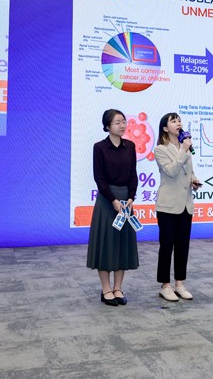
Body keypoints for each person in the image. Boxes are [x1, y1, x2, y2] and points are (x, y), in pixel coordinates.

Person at [86, 109, 139, 306]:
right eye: (117, 122)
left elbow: (133, 174)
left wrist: (131, 197)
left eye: (124, 121)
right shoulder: (100, 147)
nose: (122, 125)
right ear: (107, 126)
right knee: (105, 244)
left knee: (122, 245)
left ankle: (118, 288)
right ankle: (106, 289)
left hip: (126, 201)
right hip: (107, 201)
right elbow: (99, 178)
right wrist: (113, 200)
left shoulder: (130, 146)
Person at [153, 112, 202, 302]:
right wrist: (183, 150)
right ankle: (165, 286)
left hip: (186, 205)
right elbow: (171, 171)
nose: (178, 123)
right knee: (167, 246)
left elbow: (189, 172)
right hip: (168, 206)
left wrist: (194, 180)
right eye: (173, 121)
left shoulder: (185, 148)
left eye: (179, 120)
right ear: (165, 128)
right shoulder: (160, 149)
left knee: (183, 246)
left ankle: (179, 284)